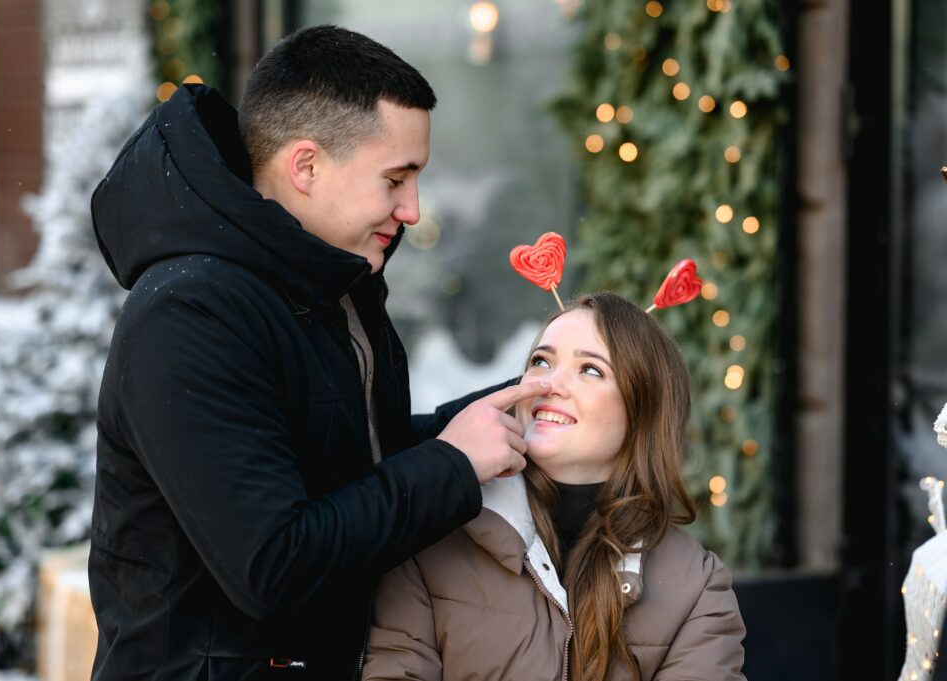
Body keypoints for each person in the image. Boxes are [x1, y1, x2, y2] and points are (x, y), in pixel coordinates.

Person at [88, 25, 548, 680]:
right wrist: (453, 461)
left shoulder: (331, 283)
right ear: (305, 166)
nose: (413, 209)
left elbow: (348, 460)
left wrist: (501, 409)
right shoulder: (190, 311)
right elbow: (274, 562)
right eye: (396, 178)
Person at [364, 292, 747, 681]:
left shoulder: (698, 588)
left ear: (642, 412)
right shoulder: (430, 538)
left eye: (591, 370)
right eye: (540, 361)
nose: (549, 383)